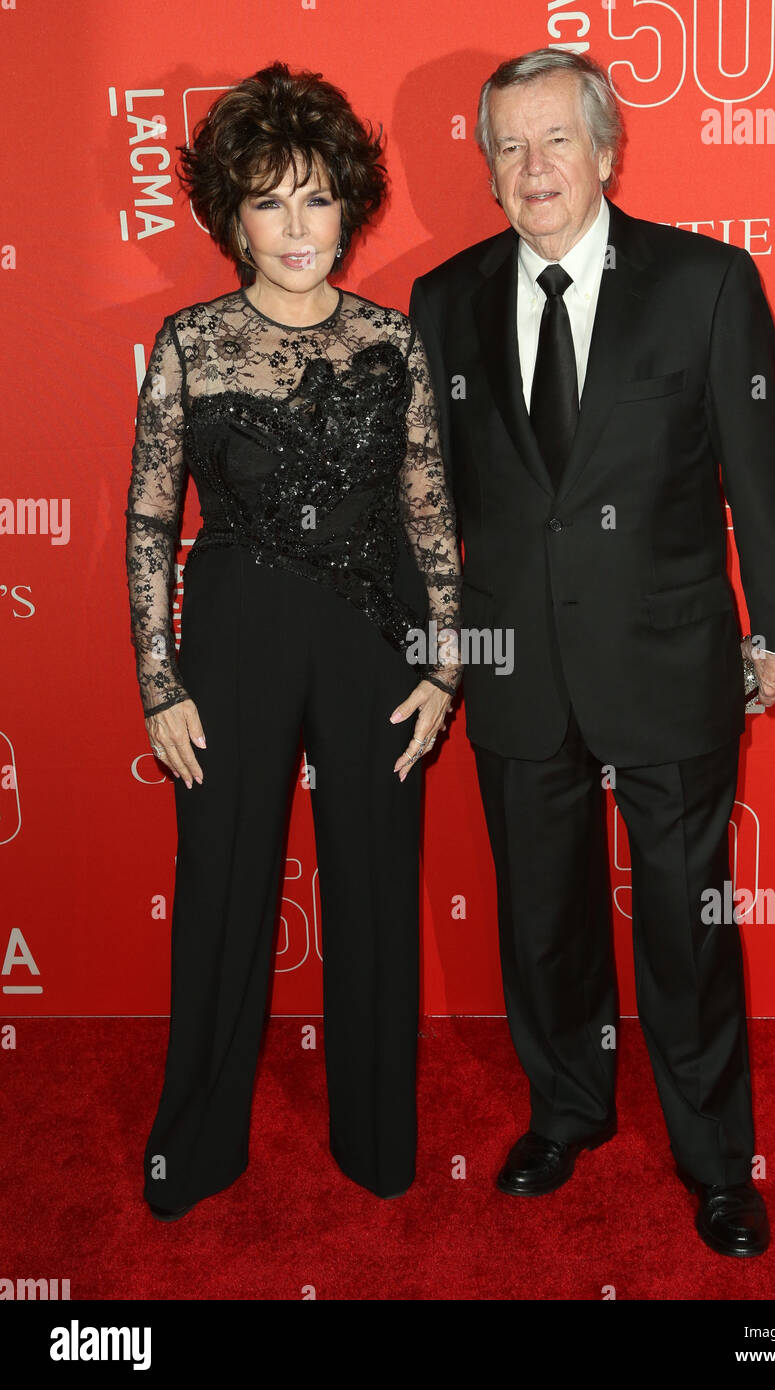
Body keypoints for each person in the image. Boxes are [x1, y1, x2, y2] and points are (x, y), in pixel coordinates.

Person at [409, 48, 775, 1257]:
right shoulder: (445, 299)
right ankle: (567, 1110)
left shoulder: (701, 283)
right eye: (506, 147)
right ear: (486, 167)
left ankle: (713, 1160)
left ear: (605, 149)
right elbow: (433, 498)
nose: (530, 169)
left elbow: (758, 466)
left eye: (552, 141)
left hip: (667, 659)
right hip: (514, 665)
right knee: (542, 917)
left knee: (685, 927)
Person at [125, 62, 461, 1220]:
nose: (296, 225)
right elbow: (149, 520)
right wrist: (158, 679)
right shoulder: (190, 343)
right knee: (219, 884)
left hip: (376, 631)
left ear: (349, 204)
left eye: (316, 196)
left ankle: (376, 1141)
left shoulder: (394, 340)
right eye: (269, 199)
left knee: (373, 886)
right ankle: (198, 1142)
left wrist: (443, 663)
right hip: (234, 635)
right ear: (230, 214)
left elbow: (426, 511)